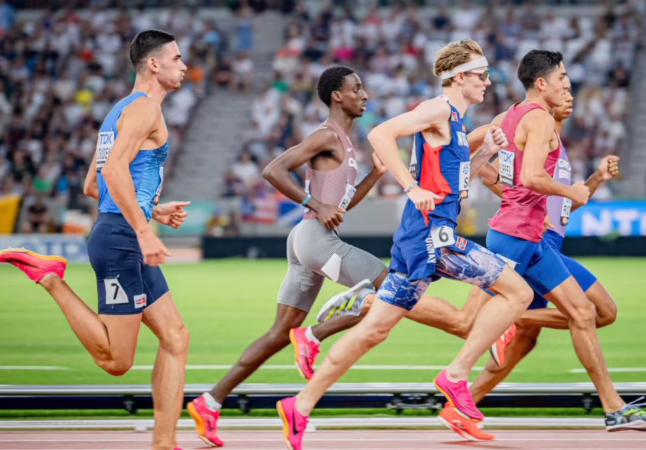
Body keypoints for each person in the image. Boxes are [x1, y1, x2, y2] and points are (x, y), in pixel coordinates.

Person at [186, 65, 491, 448]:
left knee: (278, 335)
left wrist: (374, 176)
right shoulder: (326, 135)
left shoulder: (344, 141)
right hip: (314, 238)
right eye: (356, 89)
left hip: (309, 238)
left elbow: (340, 207)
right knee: (390, 293)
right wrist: (313, 202)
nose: (364, 95)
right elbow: (273, 170)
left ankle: (210, 402)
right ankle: (315, 334)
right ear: (337, 96)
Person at [276, 39, 535, 450]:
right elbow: (381, 134)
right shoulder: (438, 110)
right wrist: (411, 188)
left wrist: (484, 154)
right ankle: (456, 375)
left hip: (422, 238)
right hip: (433, 238)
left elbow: (453, 187)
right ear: (460, 78)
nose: (488, 81)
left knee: (373, 332)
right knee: (518, 292)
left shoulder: (455, 122)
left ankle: (300, 405)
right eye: (482, 74)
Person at [455, 50, 646, 435]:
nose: (570, 94)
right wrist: (481, 175)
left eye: (571, 89)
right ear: (543, 85)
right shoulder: (530, 121)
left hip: (539, 240)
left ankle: (611, 408)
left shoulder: (547, 138)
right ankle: (382, 301)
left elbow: (561, 205)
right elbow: (526, 178)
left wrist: (595, 180)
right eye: (564, 85)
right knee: (466, 322)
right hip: (519, 236)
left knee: (583, 316)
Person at [0, 30, 191, 450]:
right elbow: (113, 173)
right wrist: (145, 231)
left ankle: (164, 442)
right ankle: (52, 279)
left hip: (121, 232)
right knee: (116, 361)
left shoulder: (118, 111)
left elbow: (92, 184)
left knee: (176, 337)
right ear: (154, 64)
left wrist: (153, 210)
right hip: (122, 240)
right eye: (177, 59)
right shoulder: (145, 110)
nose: (184, 66)